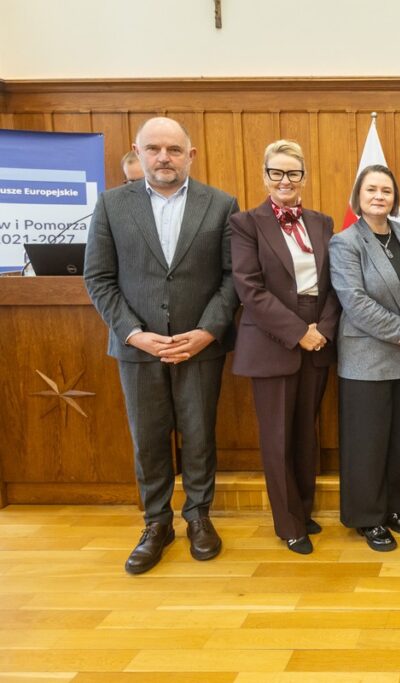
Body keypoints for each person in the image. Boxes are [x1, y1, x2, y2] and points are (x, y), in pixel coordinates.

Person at [84, 116, 240, 574]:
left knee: (199, 435)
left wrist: (208, 331)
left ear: (190, 155)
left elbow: (233, 277)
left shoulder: (221, 204)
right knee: (149, 439)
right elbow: (98, 278)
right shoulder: (112, 205)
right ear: (139, 152)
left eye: (173, 149)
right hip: (138, 348)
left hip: (200, 346)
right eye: (154, 149)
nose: (163, 157)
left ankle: (198, 517)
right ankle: (156, 523)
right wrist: (134, 333)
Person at [230, 140, 340, 555]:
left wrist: (323, 328)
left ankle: (304, 510)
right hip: (274, 337)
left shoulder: (323, 222)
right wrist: (298, 332)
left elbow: (335, 283)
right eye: (276, 172)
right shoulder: (246, 223)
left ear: (304, 177)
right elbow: (249, 288)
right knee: (277, 437)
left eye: (293, 173)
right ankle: (288, 523)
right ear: (265, 176)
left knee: (306, 433)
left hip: (318, 336)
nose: (285, 180)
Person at [329, 164, 400, 552]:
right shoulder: (345, 242)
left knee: (398, 438)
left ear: (394, 198)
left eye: (386, 190)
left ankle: (393, 507)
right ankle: (367, 518)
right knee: (367, 442)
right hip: (366, 357)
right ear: (358, 196)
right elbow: (354, 301)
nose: (379, 196)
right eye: (371, 189)